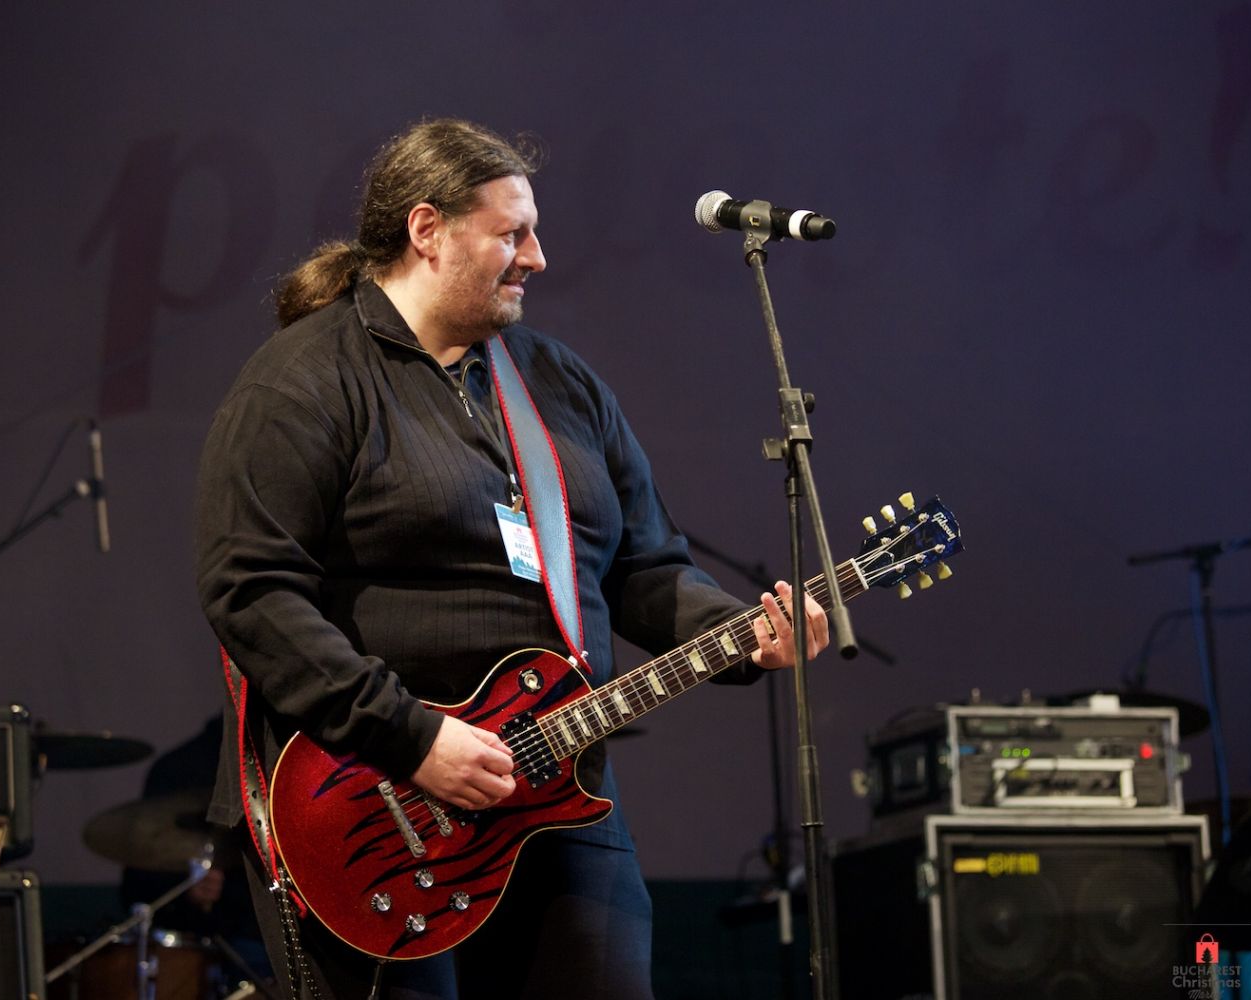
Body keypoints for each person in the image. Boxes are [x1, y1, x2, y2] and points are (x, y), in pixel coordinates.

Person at [193, 117, 828, 1000]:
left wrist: (747, 632)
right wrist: (412, 738)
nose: (537, 256)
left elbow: (643, 570)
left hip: (557, 788)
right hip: (372, 804)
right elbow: (251, 589)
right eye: (512, 233)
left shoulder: (559, 383)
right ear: (427, 230)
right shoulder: (303, 378)